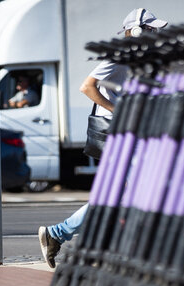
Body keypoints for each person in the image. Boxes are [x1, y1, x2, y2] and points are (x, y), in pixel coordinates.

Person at [38, 8, 167, 268]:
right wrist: (119, 111)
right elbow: (87, 86)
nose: (157, 34)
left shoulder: (141, 59)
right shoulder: (120, 54)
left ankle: (57, 234)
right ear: (139, 30)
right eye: (152, 29)